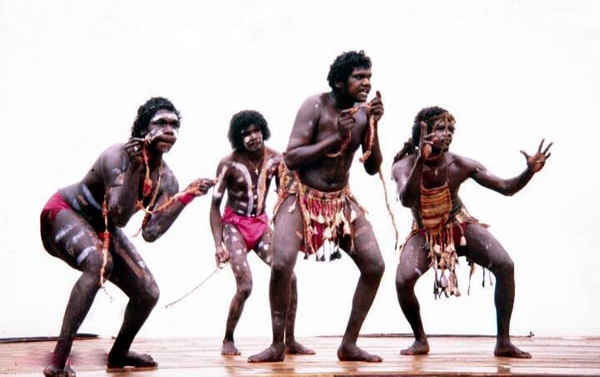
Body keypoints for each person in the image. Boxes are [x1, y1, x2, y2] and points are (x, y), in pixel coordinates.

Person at [40, 97, 215, 376]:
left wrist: (186, 197)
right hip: (64, 214)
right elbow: (119, 216)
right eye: (161, 123)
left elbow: (151, 232)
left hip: (102, 228)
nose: (169, 130)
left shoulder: (167, 180)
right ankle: (58, 360)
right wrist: (134, 168)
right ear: (144, 128)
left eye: (174, 125)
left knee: (148, 293)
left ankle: (119, 353)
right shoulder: (117, 157)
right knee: (99, 264)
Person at [248, 50, 385, 363]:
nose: (366, 83)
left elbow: (372, 166)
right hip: (301, 196)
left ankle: (349, 344)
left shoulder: (364, 113)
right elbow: (292, 157)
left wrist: (374, 125)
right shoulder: (315, 105)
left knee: (375, 266)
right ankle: (277, 344)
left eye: (369, 77)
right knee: (282, 263)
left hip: (339, 201)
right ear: (339, 81)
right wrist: (336, 137)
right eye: (358, 77)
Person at [391, 106, 552, 358]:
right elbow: (406, 199)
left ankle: (504, 342)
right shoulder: (404, 165)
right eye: (440, 128)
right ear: (423, 134)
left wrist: (529, 172)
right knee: (403, 280)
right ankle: (420, 340)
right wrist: (421, 160)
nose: (447, 134)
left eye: (450, 129)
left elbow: (506, 187)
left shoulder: (460, 164)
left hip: (459, 226)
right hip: (425, 233)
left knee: (505, 265)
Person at [209, 110, 314, 357]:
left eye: (256, 131)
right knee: (244, 286)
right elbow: (214, 206)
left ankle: (289, 340)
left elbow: (285, 197)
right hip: (234, 226)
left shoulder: (277, 159)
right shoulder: (228, 164)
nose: (253, 137)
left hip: (260, 224)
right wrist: (218, 244)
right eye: (246, 134)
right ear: (237, 138)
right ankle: (228, 339)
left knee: (291, 277)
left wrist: (288, 231)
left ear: (263, 130)